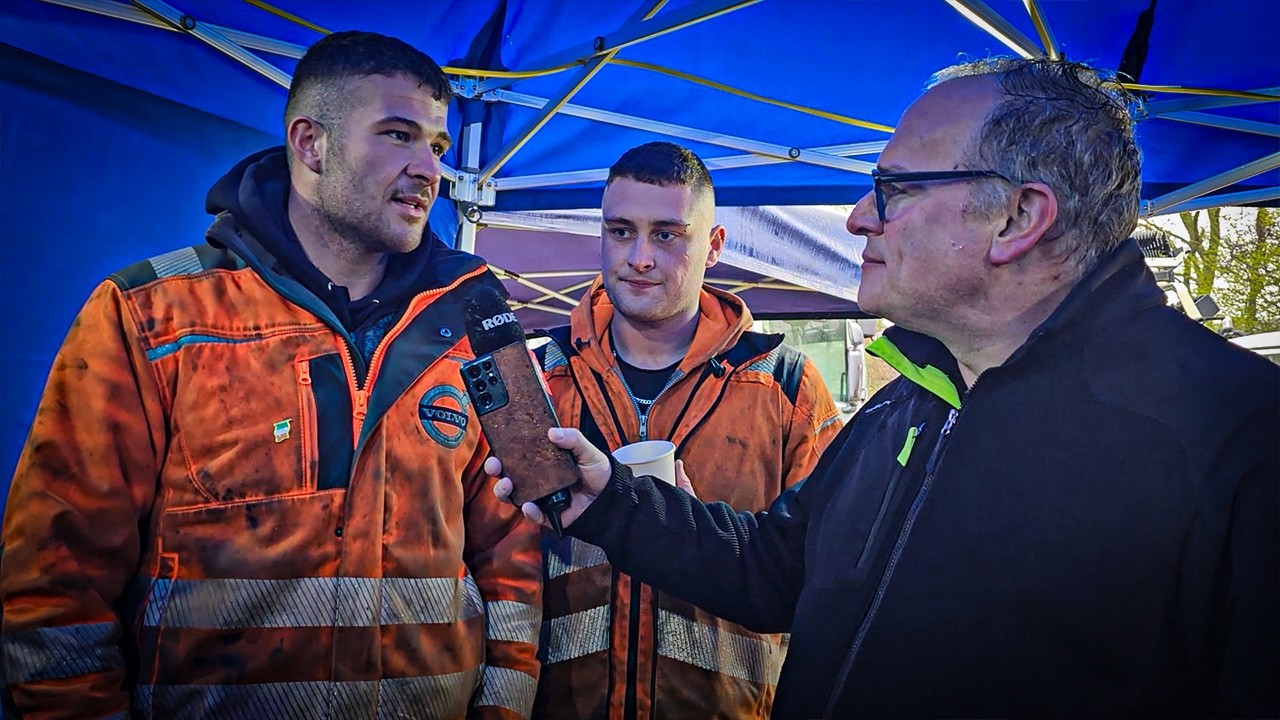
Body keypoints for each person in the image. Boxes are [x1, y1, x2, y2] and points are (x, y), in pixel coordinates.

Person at [491, 58, 1280, 718]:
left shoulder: (1237, 441)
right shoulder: (915, 400)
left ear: (1017, 217)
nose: (858, 218)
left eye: (893, 188)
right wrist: (612, 501)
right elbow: (774, 569)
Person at [1, 31, 540, 719]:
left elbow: (516, 551)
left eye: (437, 145)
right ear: (311, 144)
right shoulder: (152, 313)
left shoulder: (482, 325)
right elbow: (54, 577)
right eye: (399, 134)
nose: (429, 169)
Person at [530, 142, 842, 719]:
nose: (640, 257)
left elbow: (826, 580)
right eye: (620, 231)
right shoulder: (542, 378)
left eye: (667, 234)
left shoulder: (785, 386)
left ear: (714, 246)